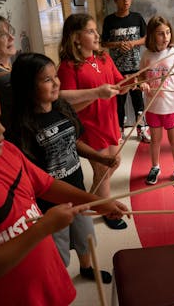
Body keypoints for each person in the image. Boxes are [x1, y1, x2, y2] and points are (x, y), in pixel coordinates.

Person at [0, 58, 128, 306]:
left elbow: (45, 185)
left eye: (0, 119)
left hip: (47, 283)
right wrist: (44, 228)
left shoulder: (6, 152)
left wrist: (98, 201)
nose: (2, 129)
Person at [10, 52, 121, 283]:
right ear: (28, 86)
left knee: (86, 237)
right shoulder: (22, 125)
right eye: (47, 79)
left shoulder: (62, 107)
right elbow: (31, 175)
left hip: (77, 190)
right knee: (57, 250)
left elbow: (74, 142)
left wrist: (100, 159)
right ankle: (58, 282)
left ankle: (87, 268)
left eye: (55, 77)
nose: (56, 82)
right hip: (49, 204)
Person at [0, 14, 119, 141]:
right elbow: (48, 101)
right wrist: (96, 93)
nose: (12, 38)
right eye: (2, 35)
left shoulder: (1, 67)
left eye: (10, 32)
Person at [58, 13, 128, 230]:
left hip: (110, 121)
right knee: (103, 171)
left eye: (95, 30)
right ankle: (107, 209)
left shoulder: (104, 58)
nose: (97, 35)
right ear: (76, 38)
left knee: (111, 165)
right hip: (90, 127)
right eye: (90, 31)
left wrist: (135, 82)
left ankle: (95, 196)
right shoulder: (69, 66)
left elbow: (119, 82)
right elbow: (66, 104)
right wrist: (97, 94)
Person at [139, 16, 174, 187]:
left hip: (172, 106)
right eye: (160, 34)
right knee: (155, 141)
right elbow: (142, 75)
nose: (165, 37)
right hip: (153, 107)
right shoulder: (146, 55)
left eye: (168, 32)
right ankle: (155, 167)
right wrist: (142, 83)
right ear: (151, 36)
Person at [101, 0, 150, 143]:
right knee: (118, 102)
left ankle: (142, 130)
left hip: (136, 67)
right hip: (116, 70)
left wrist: (133, 43)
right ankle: (119, 130)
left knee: (138, 101)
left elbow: (146, 38)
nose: (126, 1)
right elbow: (104, 43)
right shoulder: (109, 20)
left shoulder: (137, 17)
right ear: (116, 0)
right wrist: (117, 44)